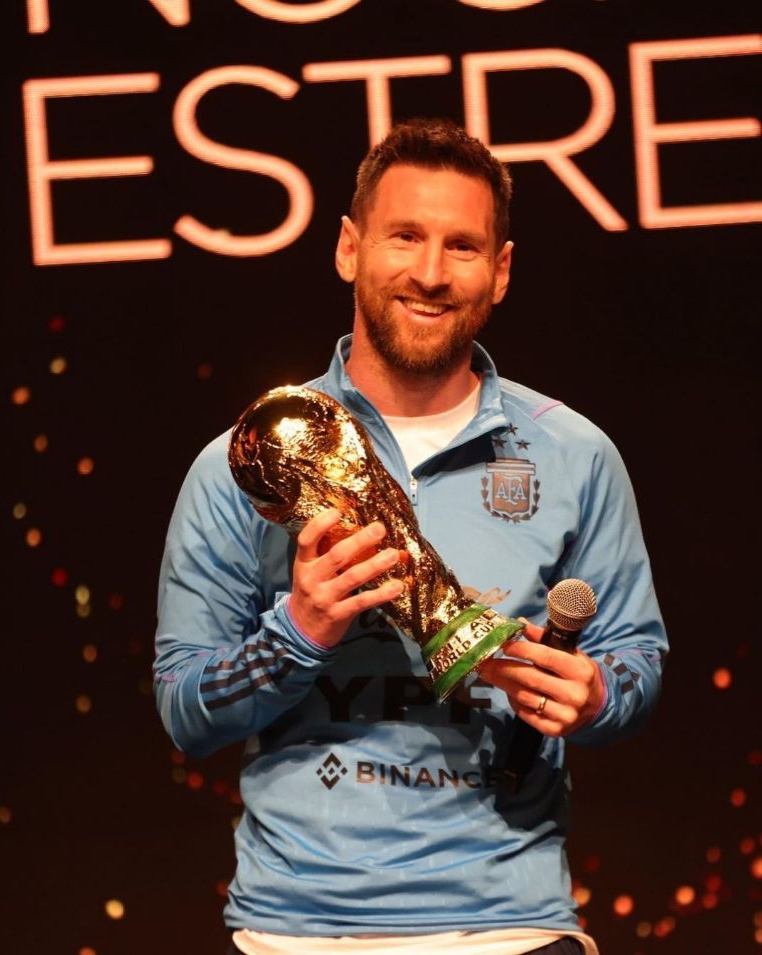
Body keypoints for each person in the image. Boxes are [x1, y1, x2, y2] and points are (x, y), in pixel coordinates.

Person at [154, 118, 667, 955]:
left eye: (462, 246)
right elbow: (185, 708)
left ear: (501, 270)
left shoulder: (574, 455)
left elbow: (635, 659)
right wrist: (299, 631)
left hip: (511, 927)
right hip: (295, 932)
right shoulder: (245, 464)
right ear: (348, 248)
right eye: (405, 237)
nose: (430, 273)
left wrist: (596, 694)